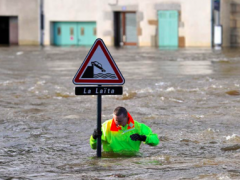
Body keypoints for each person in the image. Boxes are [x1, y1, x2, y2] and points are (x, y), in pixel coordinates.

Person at [90, 106, 159, 153]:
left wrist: (143, 138)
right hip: (111, 163)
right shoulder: (105, 126)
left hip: (131, 162)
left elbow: (155, 141)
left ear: (126, 117)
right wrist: (93, 137)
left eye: (119, 121)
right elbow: (94, 147)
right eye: (115, 121)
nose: (117, 124)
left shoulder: (138, 127)